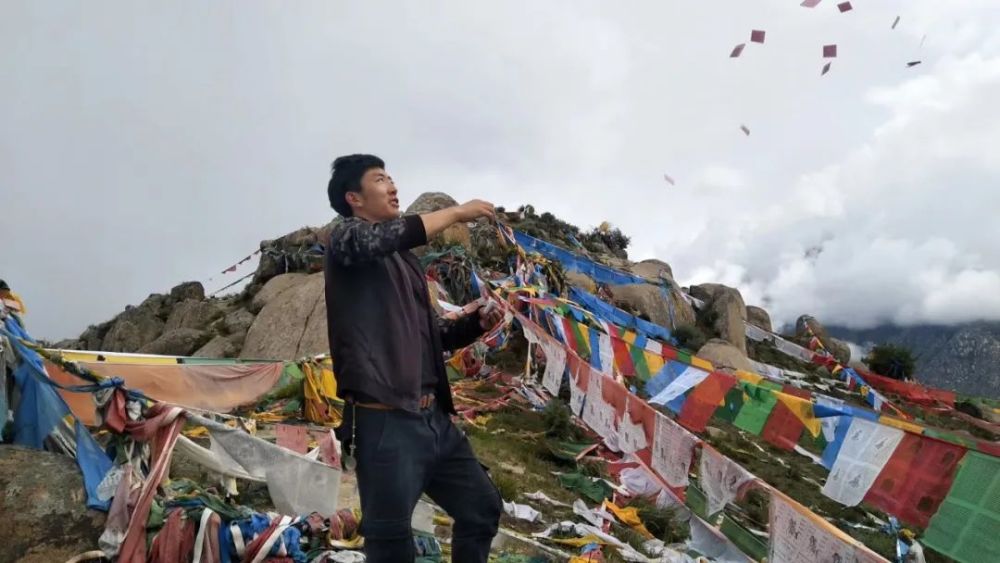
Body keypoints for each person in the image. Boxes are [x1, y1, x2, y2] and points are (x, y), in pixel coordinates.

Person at [323, 154, 504, 562]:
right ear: (353, 197)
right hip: (385, 423)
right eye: (380, 179)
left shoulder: (403, 261)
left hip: (433, 421)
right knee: (390, 547)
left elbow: (430, 336)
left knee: (482, 508)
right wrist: (457, 213)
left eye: (391, 177)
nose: (392, 186)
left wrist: (474, 323)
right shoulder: (344, 240)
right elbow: (384, 237)